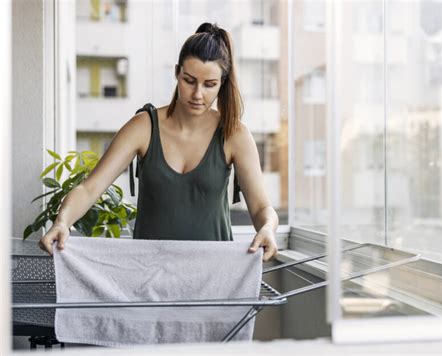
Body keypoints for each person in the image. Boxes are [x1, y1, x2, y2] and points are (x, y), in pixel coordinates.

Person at [39, 22, 279, 261]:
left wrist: (267, 228)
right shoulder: (143, 127)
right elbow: (90, 188)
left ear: (222, 83)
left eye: (209, 85)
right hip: (149, 276)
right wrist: (62, 222)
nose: (198, 94)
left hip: (213, 276)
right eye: (189, 80)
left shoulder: (234, 134)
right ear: (177, 72)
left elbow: (261, 209)